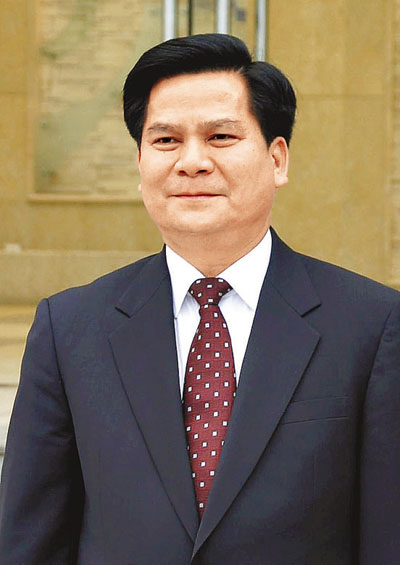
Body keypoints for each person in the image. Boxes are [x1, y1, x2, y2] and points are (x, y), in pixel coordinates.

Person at [0, 33, 399, 565]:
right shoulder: (69, 327)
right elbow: (28, 538)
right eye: (166, 140)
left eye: (221, 136)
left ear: (277, 159)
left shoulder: (372, 325)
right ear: (140, 163)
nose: (192, 162)